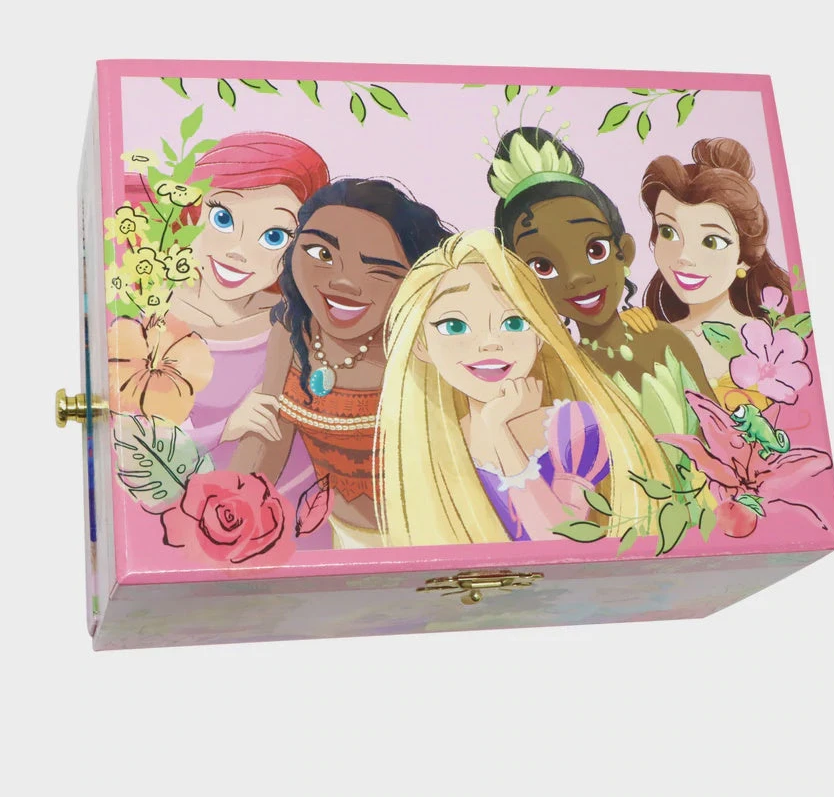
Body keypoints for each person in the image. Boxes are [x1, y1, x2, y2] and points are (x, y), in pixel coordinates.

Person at [375, 229, 672, 547]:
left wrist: (499, 432)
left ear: (540, 333)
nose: (490, 344)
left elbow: (562, 540)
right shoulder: (434, 446)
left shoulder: (570, 426)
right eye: (454, 326)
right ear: (420, 343)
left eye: (514, 323)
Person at [230, 178, 452, 548]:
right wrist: (220, 509)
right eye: (320, 253)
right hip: (343, 538)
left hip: (436, 536)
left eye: (380, 269)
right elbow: (268, 441)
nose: (344, 282)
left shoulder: (425, 346)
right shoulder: (291, 332)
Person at [136, 131, 331, 499]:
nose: (238, 251)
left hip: (292, 503)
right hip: (187, 508)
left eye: (274, 236)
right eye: (222, 218)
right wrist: (226, 428)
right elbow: (133, 446)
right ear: (193, 210)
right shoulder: (149, 316)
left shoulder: (293, 321)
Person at [489, 127, 715, 400]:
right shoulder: (562, 377)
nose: (577, 277)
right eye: (543, 267)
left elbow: (718, 422)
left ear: (625, 251)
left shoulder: (667, 342)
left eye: (596, 250)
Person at [641, 137, 793, 404]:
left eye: (712, 241)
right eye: (668, 232)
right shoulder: (652, 341)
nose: (684, 256)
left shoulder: (772, 344)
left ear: (744, 258)